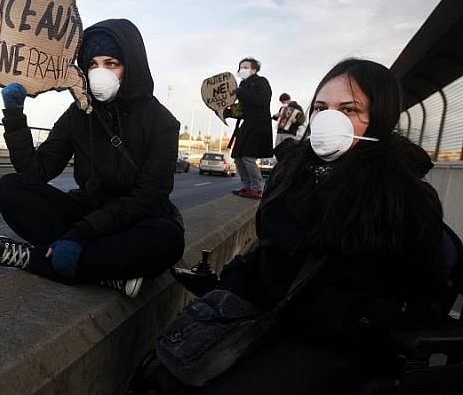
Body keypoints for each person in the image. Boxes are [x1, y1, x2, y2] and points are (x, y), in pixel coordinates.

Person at [157, 59, 459, 393]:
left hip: (340, 344)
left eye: (350, 109)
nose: (331, 119)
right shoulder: (292, 175)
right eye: (321, 107)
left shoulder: (405, 197)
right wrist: (223, 286)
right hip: (268, 320)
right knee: (166, 371)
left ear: (380, 119)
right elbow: (269, 253)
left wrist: (347, 319)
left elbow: (420, 298)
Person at [0, 19, 185, 299]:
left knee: (168, 240)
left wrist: (79, 235)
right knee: (10, 188)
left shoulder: (162, 122)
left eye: (111, 63)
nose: (101, 73)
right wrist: (14, 115)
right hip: (86, 212)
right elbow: (36, 171)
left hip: (137, 219)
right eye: (93, 64)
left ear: (131, 65)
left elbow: (147, 198)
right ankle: (105, 273)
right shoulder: (79, 112)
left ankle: (36, 259)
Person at [226, 57, 273, 199]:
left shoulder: (261, 82)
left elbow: (260, 100)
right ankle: (247, 187)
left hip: (258, 125)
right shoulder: (243, 85)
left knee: (248, 157)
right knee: (238, 157)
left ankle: (257, 188)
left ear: (254, 69)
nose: (242, 70)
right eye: (240, 67)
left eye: (245, 67)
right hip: (246, 124)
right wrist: (227, 112)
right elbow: (242, 109)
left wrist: (240, 93)